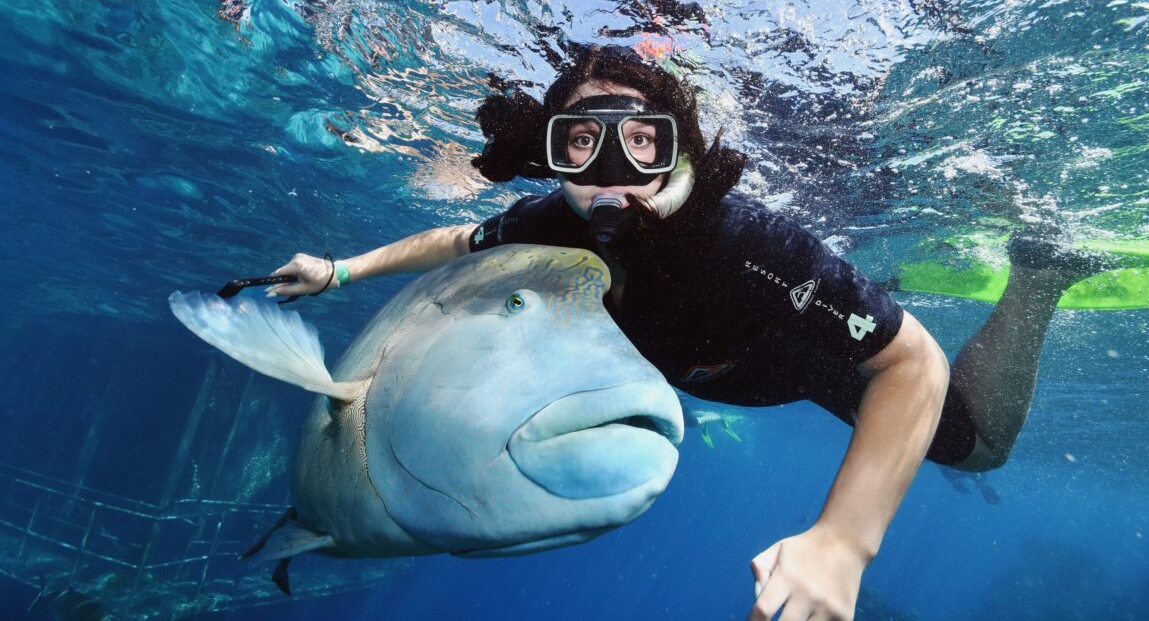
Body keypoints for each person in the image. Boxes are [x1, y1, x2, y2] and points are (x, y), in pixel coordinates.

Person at [268, 45, 1097, 621]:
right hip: (696, 366)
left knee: (978, 447)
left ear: (677, 151)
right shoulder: (549, 222)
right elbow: (459, 240)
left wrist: (843, 543)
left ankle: (1037, 273)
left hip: (788, 359)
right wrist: (340, 269)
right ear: (550, 153)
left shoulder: (748, 245)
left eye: (639, 143)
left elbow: (910, 360)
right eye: (580, 144)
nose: (608, 174)